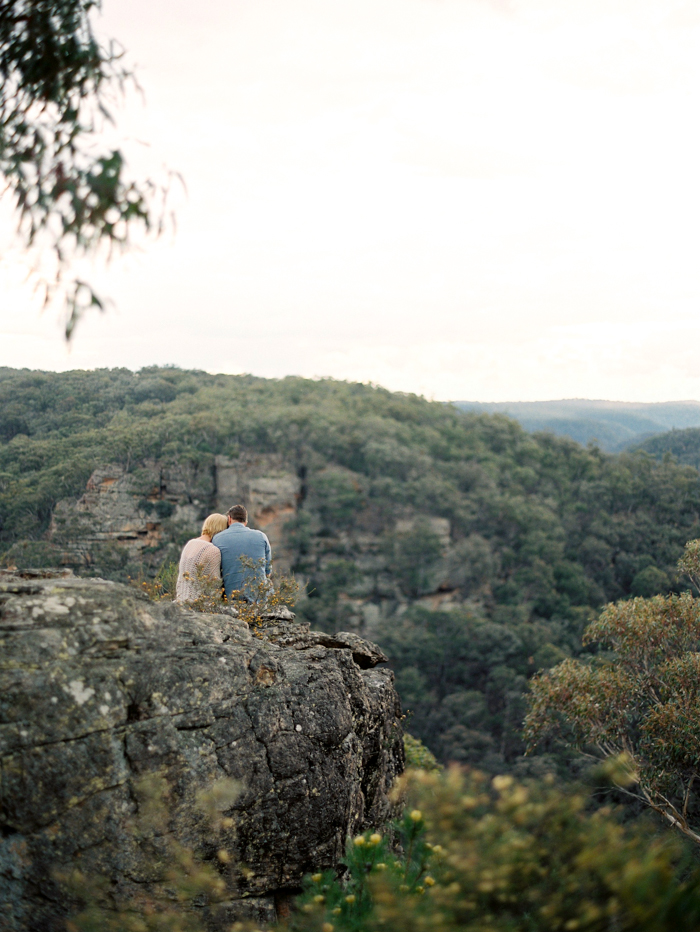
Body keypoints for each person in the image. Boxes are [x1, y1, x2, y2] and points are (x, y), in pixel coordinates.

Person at [213, 504, 272, 601]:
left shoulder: (217, 539)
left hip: (230, 601)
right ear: (246, 522)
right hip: (258, 602)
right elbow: (268, 572)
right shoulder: (261, 536)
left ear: (229, 519)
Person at [175, 513, 228, 603]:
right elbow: (215, 585)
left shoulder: (190, 543)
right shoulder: (212, 550)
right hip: (198, 604)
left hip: (180, 600)